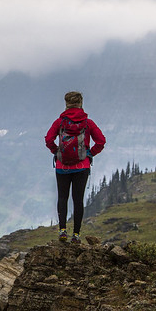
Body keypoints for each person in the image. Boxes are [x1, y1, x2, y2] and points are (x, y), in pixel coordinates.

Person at [45, 91, 106, 243]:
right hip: (82, 167)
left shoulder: (59, 122)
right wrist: (90, 154)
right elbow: (101, 141)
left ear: (66, 104)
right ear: (81, 103)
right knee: (77, 200)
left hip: (62, 167)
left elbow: (48, 139)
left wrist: (56, 152)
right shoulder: (88, 123)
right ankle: (76, 235)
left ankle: (62, 231)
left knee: (62, 197)